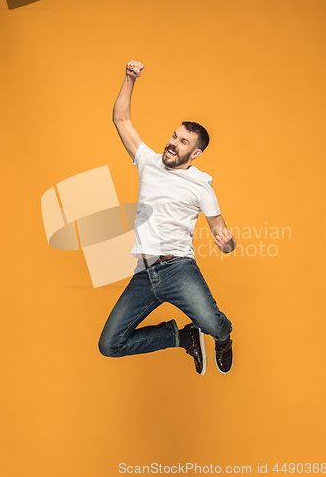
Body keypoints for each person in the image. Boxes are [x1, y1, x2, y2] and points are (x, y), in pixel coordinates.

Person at [98, 60, 236, 375]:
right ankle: (181, 336)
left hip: (178, 269)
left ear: (195, 153)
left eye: (183, 142)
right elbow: (121, 118)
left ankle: (224, 337)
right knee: (110, 345)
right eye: (174, 136)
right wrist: (129, 79)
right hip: (145, 272)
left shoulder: (201, 184)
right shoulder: (148, 161)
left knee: (215, 324)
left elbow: (223, 237)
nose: (173, 143)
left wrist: (227, 243)